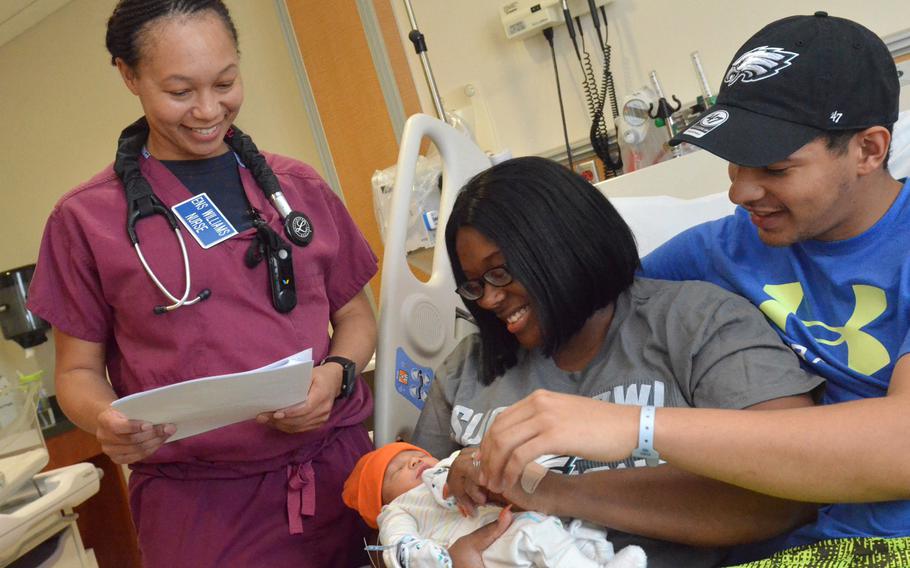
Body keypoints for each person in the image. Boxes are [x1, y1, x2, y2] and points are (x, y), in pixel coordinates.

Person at [474, 12, 910, 564]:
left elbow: (902, 445)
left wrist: (639, 427)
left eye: (775, 169)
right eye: (733, 163)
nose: (740, 192)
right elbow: (590, 310)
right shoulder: (717, 252)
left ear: (869, 150)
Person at [26, 1, 377, 566]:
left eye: (226, 82)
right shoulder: (85, 221)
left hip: (343, 475)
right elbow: (75, 372)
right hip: (202, 510)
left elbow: (357, 317)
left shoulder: (298, 188)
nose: (209, 110)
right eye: (180, 91)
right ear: (129, 76)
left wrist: (335, 375)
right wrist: (106, 420)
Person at [411, 155, 824, 567]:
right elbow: (398, 510)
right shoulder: (466, 368)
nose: (488, 299)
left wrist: (553, 491)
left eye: (500, 273)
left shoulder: (697, 324)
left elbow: (791, 489)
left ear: (563, 246)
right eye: (474, 285)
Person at [342, 441, 648, 568]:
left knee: (572, 524)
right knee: (534, 535)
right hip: (483, 548)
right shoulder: (398, 510)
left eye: (417, 456)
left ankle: (598, 557)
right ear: (382, 500)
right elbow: (399, 550)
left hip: (514, 518)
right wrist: (440, 559)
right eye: (397, 470)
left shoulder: (450, 464)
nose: (414, 463)